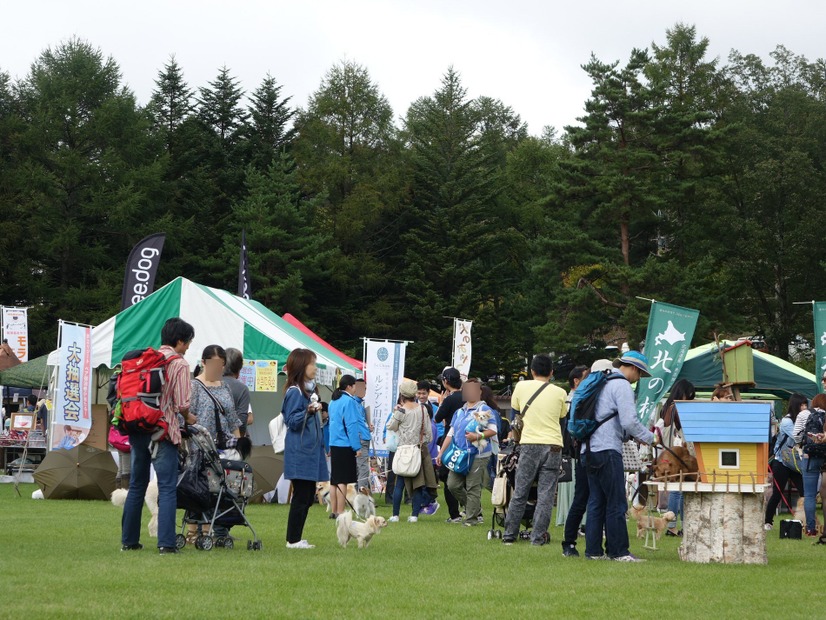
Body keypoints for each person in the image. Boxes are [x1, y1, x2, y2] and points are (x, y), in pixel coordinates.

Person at [121, 317, 195, 555]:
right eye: (188, 343)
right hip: (162, 431)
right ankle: (166, 543)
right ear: (180, 341)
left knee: (136, 486)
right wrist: (189, 417)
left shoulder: (146, 360)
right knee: (167, 487)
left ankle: (129, 541)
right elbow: (182, 402)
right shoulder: (179, 364)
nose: (188, 348)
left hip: (137, 428)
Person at [582, 351, 658, 562]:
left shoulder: (601, 381)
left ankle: (594, 552)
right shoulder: (621, 385)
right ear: (633, 368)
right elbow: (629, 422)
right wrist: (651, 438)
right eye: (640, 374)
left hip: (588, 449)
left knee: (596, 501)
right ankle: (619, 552)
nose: (638, 379)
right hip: (607, 449)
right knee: (616, 502)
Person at [502, 354, 567, 546]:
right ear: (552, 373)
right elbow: (562, 418)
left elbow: (516, 414)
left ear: (531, 371)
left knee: (521, 490)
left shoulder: (521, 387)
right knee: (546, 495)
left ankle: (509, 535)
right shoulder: (560, 392)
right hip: (554, 444)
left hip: (529, 444)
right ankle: (537, 537)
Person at [282, 349, 328, 549]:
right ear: (302, 366)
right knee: (302, 496)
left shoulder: (309, 390)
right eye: (313, 364)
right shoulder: (295, 392)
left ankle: (296, 538)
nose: (315, 368)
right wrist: (308, 412)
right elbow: (291, 420)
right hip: (300, 451)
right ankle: (293, 540)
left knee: (307, 495)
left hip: (309, 451)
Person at [436, 378, 498, 527]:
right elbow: (450, 434)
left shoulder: (482, 410)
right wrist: (441, 453)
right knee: (452, 484)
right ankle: (474, 508)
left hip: (478, 454)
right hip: (459, 454)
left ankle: (471, 519)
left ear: (479, 392)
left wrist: (478, 436)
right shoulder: (460, 412)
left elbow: (493, 430)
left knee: (472, 486)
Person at [561, 362, 599, 556]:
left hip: (582, 452)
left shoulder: (579, 398)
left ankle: (570, 542)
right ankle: (573, 541)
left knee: (582, 498)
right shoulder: (581, 398)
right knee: (587, 498)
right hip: (587, 452)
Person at [386, 379, 435, 522]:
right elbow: (428, 433)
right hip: (417, 450)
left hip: (402, 450)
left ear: (402, 395)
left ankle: (395, 514)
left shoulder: (401, 410)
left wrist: (396, 414)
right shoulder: (423, 409)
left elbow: (390, 426)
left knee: (399, 483)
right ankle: (414, 515)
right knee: (418, 484)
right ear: (415, 394)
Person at [656, 379, 696, 537]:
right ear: (683, 393)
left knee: (678, 488)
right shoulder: (677, 408)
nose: (689, 400)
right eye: (689, 396)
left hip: (669, 452)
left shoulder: (667, 406)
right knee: (678, 490)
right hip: (676, 453)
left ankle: (675, 525)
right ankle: (674, 526)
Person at [764, 393, 808, 530]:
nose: (805, 408)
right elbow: (799, 438)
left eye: (806, 405)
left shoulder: (802, 421)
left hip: (795, 463)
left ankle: (805, 521)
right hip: (782, 461)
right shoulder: (787, 422)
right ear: (796, 406)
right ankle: (768, 521)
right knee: (778, 493)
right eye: (802, 405)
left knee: (805, 492)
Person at [190, 345, 241, 449]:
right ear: (203, 362)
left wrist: (239, 445)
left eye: (222, 364)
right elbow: (187, 419)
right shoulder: (193, 386)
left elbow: (233, 421)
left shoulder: (225, 386)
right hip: (202, 449)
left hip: (226, 447)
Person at [328, 375, 364, 518]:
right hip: (345, 444)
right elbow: (351, 425)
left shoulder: (332, 401)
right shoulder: (349, 401)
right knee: (342, 480)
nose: (356, 389)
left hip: (334, 443)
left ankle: (333, 510)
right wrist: (357, 447)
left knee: (334, 480)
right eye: (355, 385)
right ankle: (340, 512)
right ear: (349, 386)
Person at [434, 367, 465, 523]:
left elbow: (437, 418)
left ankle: (455, 514)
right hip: (467, 440)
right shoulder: (466, 397)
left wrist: (442, 403)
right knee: (465, 475)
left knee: (446, 476)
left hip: (450, 440)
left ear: (446, 381)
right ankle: (471, 509)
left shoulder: (449, 399)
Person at [801, 393, 826, 537]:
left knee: (809, 495)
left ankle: (811, 529)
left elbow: (798, 435)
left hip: (811, 456)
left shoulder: (808, 415)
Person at [222, 348, 253, 437]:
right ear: (240, 368)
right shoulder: (242, 389)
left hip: (211, 440)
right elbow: (242, 419)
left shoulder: (212, 383)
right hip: (233, 439)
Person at [353, 378, 372, 493]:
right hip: (361, 438)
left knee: (359, 467)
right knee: (363, 468)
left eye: (365, 388)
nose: (363, 391)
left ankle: (356, 493)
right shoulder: (354, 403)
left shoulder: (360, 404)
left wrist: (368, 427)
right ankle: (361, 495)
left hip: (362, 437)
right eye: (361, 388)